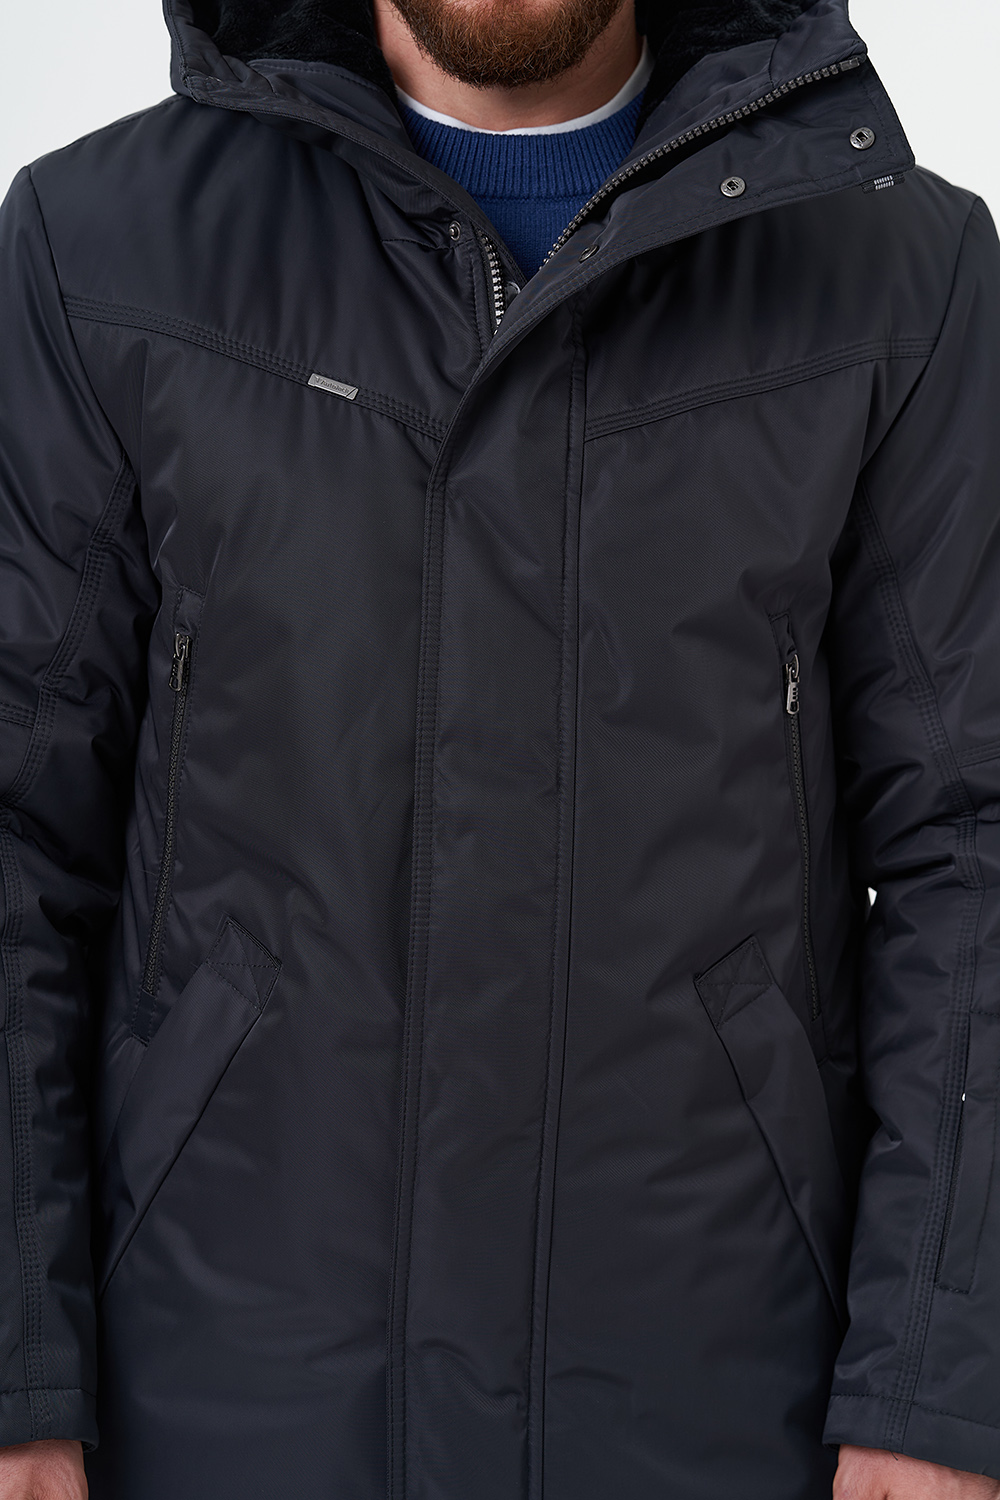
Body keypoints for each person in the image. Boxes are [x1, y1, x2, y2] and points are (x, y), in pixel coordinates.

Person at [1, 0, 999, 1495]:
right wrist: (15, 1370)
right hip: (221, 1404)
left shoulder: (900, 273)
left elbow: (972, 845)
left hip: (723, 1409)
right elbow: (18, 829)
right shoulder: (98, 252)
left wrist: (933, 1389)